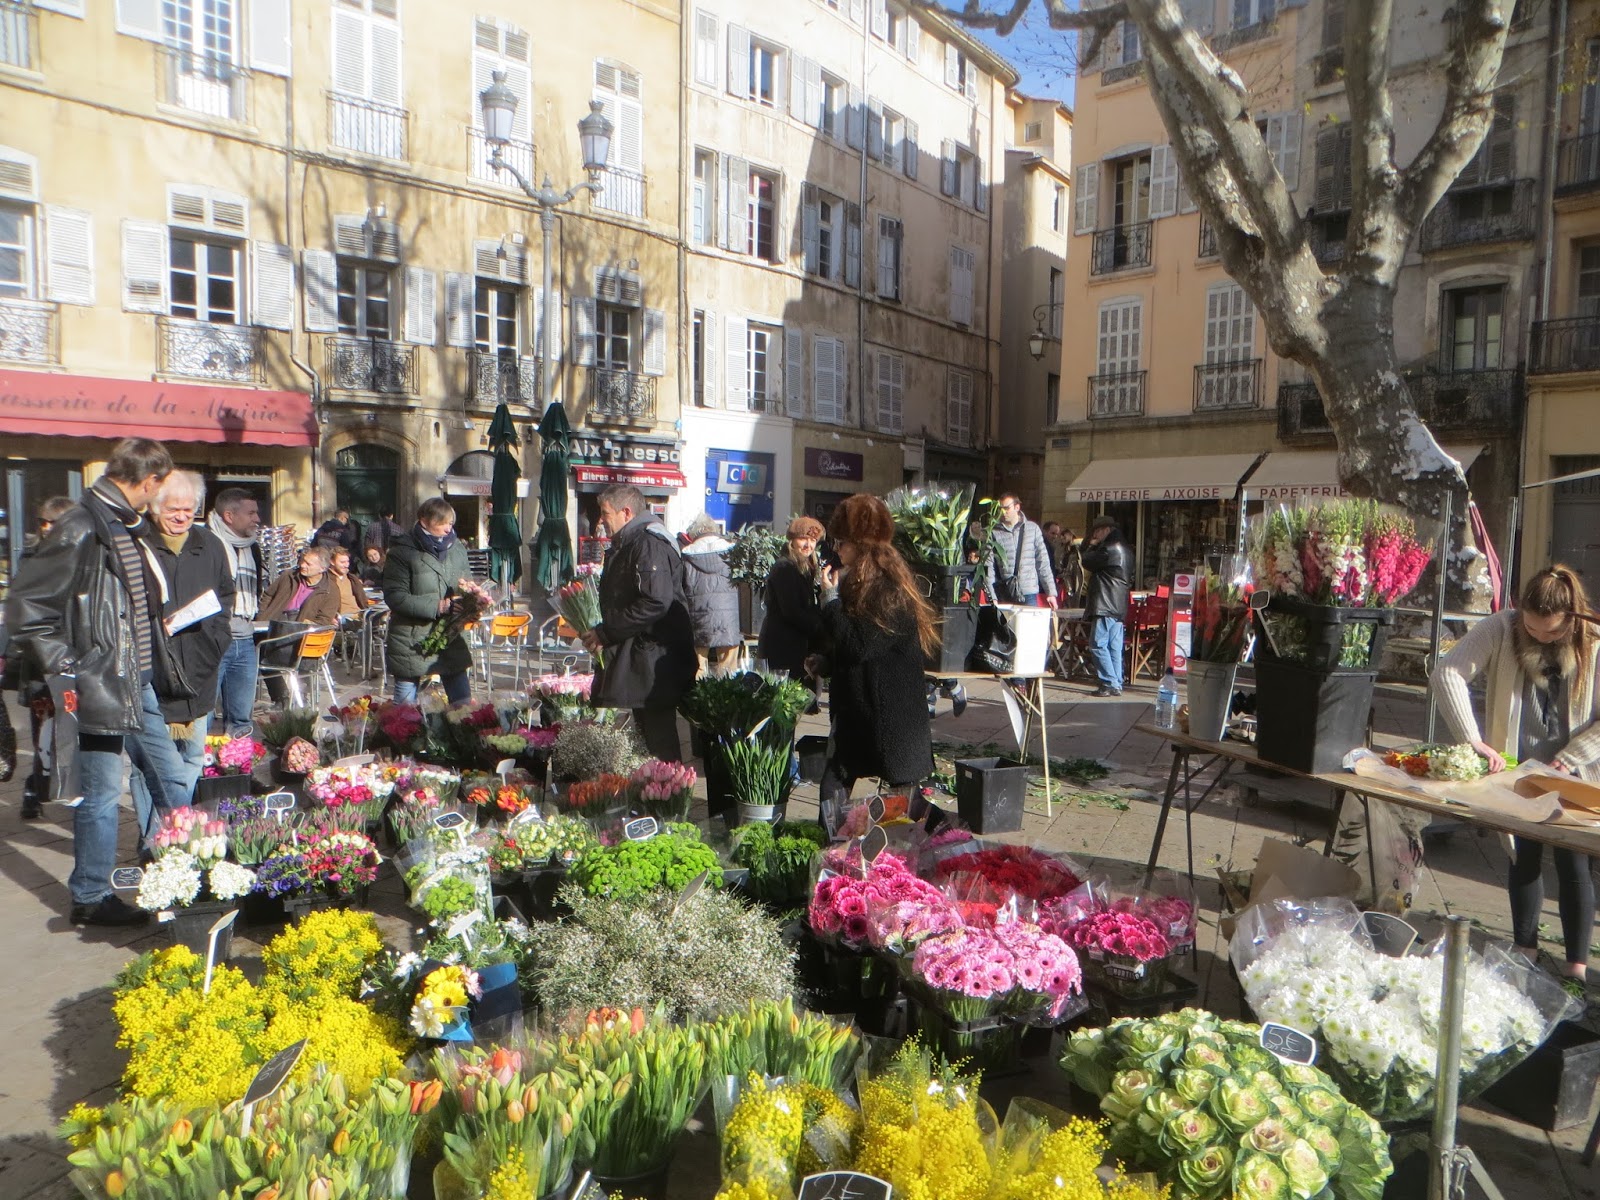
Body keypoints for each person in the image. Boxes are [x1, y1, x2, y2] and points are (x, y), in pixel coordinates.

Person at [4, 438, 196, 926]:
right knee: (105, 792)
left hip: (138, 681)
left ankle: (189, 870)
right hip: (102, 685)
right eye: (159, 488)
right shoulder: (81, 524)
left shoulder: (119, 523)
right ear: (148, 482)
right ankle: (90, 896)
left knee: (171, 777)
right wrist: (72, 666)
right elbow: (26, 607)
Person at [1433, 566, 1600, 990]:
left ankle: (1576, 968)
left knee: (1573, 861)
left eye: (1551, 633)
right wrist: (1472, 740)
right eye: (1531, 627)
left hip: (1573, 775)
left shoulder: (1594, 643)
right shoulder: (1500, 628)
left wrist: (1574, 756)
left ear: (1572, 620)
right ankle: (1525, 951)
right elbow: (1447, 672)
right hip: (1515, 773)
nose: (1540, 637)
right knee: (1521, 856)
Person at [809, 494, 938, 807]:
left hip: (890, 715)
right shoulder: (863, 581)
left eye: (841, 542)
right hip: (863, 711)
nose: (836, 549)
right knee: (834, 788)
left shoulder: (887, 588)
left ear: (860, 544)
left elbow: (859, 646)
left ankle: (950, 840)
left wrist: (830, 601)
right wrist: (826, 664)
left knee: (906, 807)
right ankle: (832, 852)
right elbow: (856, 645)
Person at [130, 471, 235, 831]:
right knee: (151, 767)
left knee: (192, 760)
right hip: (151, 676)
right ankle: (153, 841)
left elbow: (226, 597)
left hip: (200, 672)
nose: (182, 517)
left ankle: (177, 832)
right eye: (174, 509)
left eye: (189, 510)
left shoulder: (210, 544)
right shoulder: (136, 546)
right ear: (155, 508)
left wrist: (217, 639)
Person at [581, 485, 696, 761]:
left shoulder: (648, 543)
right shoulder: (634, 541)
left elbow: (655, 601)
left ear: (627, 512)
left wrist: (606, 633)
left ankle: (668, 800)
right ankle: (655, 798)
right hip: (643, 656)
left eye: (605, 513)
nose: (601, 521)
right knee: (649, 739)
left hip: (654, 660)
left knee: (659, 742)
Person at [2, 496, 76, 817]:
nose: (47, 528)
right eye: (43, 522)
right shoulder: (31, 561)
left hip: (75, 661)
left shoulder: (87, 559)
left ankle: (67, 787)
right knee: (43, 729)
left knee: (72, 727)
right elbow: (22, 614)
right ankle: (36, 784)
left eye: (54, 522)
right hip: (39, 664)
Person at [384, 498, 475, 705]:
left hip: (451, 635)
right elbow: (395, 596)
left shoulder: (457, 548)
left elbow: (466, 582)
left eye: (450, 523)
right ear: (424, 522)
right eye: (442, 523)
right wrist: (438, 606)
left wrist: (472, 601)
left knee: (464, 710)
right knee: (404, 717)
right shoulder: (401, 551)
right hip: (412, 638)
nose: (447, 528)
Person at [208, 487, 265, 735]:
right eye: (251, 513)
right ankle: (202, 770)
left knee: (242, 718)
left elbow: (258, 589)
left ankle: (239, 767)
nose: (257, 519)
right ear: (229, 516)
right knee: (204, 716)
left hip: (245, 640)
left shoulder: (253, 547)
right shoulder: (207, 544)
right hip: (214, 641)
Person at [759, 517, 826, 689]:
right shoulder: (785, 568)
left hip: (795, 646)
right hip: (782, 647)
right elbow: (792, 611)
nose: (808, 545)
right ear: (792, 541)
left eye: (813, 540)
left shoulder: (804, 567)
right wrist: (820, 626)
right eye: (803, 539)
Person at [680, 514, 742, 677]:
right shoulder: (732, 551)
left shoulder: (687, 555)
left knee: (697, 668)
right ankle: (727, 700)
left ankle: (698, 700)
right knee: (728, 669)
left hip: (699, 617)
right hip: (729, 620)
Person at [1080, 515, 1131, 697]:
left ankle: (1109, 682)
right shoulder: (1124, 547)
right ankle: (1116, 681)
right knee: (1114, 646)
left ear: (1106, 530)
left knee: (1098, 644)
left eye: (1097, 531)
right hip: (1118, 604)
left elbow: (1086, 560)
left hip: (1106, 602)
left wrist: (1092, 545)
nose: (1095, 534)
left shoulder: (1108, 549)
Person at [986, 493, 1057, 608]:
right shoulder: (993, 532)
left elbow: (1043, 562)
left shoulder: (1032, 529)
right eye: (1000, 509)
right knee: (1006, 626)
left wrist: (1051, 593)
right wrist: (992, 597)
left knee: (1028, 625)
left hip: (1028, 591)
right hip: (1005, 591)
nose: (1003, 512)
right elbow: (988, 567)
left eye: (1006, 508)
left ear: (1017, 507)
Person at [327, 547, 372, 621]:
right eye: (342, 562)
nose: (346, 565)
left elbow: (362, 600)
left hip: (360, 614)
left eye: (347, 561)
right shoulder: (326, 580)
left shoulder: (352, 578)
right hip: (343, 618)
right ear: (332, 562)